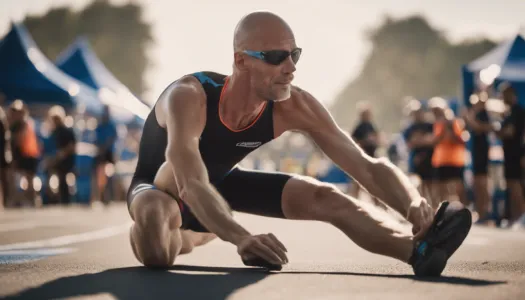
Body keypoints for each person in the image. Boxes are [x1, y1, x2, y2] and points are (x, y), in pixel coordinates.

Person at [127, 11, 472, 276]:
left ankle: (419, 251)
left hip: (220, 185)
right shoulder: (189, 96)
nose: (290, 67)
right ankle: (193, 234)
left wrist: (413, 206)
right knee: (159, 246)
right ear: (241, 60)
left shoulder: (294, 105)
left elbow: (364, 165)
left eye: (295, 54)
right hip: (164, 187)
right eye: (276, 57)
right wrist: (241, 236)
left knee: (327, 196)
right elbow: (190, 182)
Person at [495, 83, 525, 227]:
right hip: (509, 154)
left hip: (516, 154)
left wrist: (496, 130)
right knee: (511, 185)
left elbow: (510, 132)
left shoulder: (517, 111)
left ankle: (520, 216)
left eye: (504, 94)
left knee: (516, 185)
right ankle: (514, 217)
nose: (502, 97)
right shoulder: (509, 112)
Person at [463, 93, 492, 223]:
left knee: (482, 182)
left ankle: (485, 211)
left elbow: (479, 127)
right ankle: (480, 211)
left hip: (482, 152)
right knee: (476, 183)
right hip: (475, 152)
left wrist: (468, 117)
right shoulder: (476, 114)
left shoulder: (483, 114)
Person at [403, 100, 435, 201]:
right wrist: (424, 140)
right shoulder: (409, 128)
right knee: (417, 186)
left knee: (431, 185)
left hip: (430, 159)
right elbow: (410, 143)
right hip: (416, 161)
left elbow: (433, 140)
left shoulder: (430, 125)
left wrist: (419, 140)